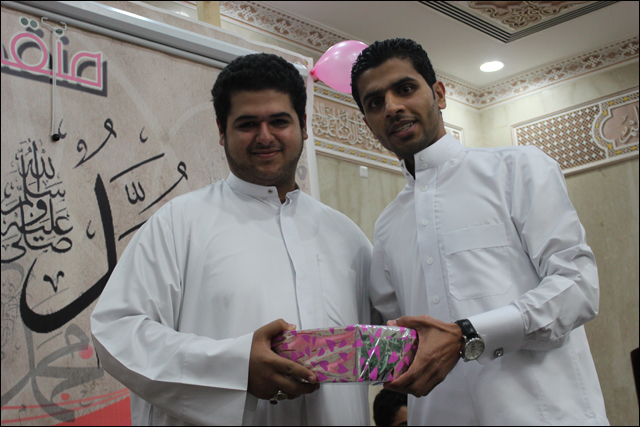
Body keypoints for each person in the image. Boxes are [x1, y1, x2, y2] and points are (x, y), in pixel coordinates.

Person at [91, 53, 373, 426]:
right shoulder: (179, 223)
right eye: (247, 124)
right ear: (222, 132)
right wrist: (235, 367)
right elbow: (116, 330)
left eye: (279, 121)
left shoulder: (348, 237)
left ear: (303, 126)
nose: (265, 136)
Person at [352, 38, 609, 425]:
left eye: (405, 88)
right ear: (368, 123)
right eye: (375, 102)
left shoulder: (516, 169)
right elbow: (401, 335)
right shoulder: (388, 226)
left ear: (439, 94)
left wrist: (470, 334)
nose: (391, 107)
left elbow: (578, 287)